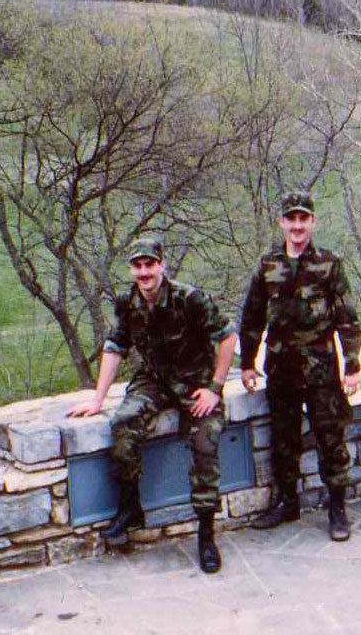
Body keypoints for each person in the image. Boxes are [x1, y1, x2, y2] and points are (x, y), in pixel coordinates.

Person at [67, 237, 236, 574]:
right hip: (155, 379)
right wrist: (97, 399)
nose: (144, 272)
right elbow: (116, 346)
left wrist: (215, 388)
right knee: (124, 423)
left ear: (162, 265)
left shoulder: (190, 298)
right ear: (131, 269)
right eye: (138, 266)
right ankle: (130, 508)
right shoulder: (127, 303)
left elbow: (228, 336)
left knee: (204, 442)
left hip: (195, 380)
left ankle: (205, 534)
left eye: (150, 264)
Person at [239, 191, 361, 542]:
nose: (297, 226)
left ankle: (337, 509)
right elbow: (251, 316)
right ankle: (286, 502)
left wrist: (352, 365)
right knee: (283, 439)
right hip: (281, 368)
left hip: (321, 370)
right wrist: (247, 363)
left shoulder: (329, 263)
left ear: (312, 222)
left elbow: (347, 317)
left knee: (330, 438)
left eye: (303, 219)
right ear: (282, 222)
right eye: (290, 219)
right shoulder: (268, 265)